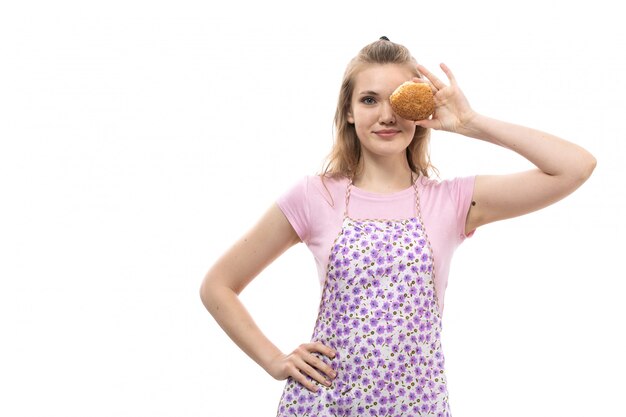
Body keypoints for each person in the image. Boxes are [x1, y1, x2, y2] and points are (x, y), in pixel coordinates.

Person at [199, 37, 596, 417]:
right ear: (349, 110)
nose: (386, 115)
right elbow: (218, 285)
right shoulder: (315, 197)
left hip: (419, 406)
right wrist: (274, 360)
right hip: (325, 404)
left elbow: (575, 168)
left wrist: (470, 122)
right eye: (369, 100)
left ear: (419, 110)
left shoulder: (453, 202)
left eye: (397, 100)